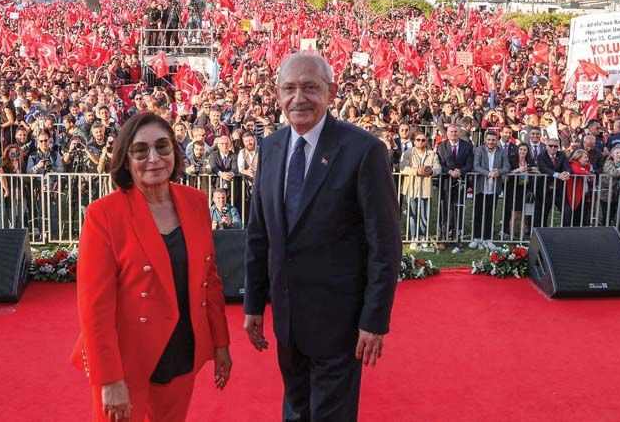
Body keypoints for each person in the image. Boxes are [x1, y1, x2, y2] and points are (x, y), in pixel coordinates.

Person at [244, 53, 401, 422]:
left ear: (330, 91)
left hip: (340, 323)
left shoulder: (364, 151)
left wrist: (374, 319)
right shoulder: (270, 148)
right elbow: (259, 234)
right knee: (296, 411)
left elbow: (385, 245)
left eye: (310, 88)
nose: (299, 98)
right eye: (289, 88)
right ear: (277, 94)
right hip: (287, 319)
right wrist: (253, 304)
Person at [71, 112, 231, 421]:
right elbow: (94, 309)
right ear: (126, 158)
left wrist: (220, 342)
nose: (154, 158)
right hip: (128, 363)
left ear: (175, 150)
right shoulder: (104, 214)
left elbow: (209, 281)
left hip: (182, 352)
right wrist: (109, 379)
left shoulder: (196, 202)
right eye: (141, 150)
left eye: (163, 146)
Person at [399, 131, 440, 249]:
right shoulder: (407, 153)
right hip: (411, 187)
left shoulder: (432, 154)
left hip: (426, 187)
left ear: (426, 142)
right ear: (414, 141)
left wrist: (432, 171)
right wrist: (416, 171)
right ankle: (413, 237)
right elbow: (403, 167)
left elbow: (438, 167)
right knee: (412, 213)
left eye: (423, 140)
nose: (420, 142)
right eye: (418, 140)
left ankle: (422, 236)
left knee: (424, 214)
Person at [472, 128, 510, 247]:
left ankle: (488, 238)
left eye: (493, 140)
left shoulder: (501, 151)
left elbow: (507, 167)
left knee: (490, 213)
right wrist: (489, 173)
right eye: (488, 139)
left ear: (496, 140)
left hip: (494, 188)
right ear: (485, 140)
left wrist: (498, 172)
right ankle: (476, 238)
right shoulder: (479, 150)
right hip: (480, 186)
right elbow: (476, 166)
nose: (490, 142)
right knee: (478, 212)